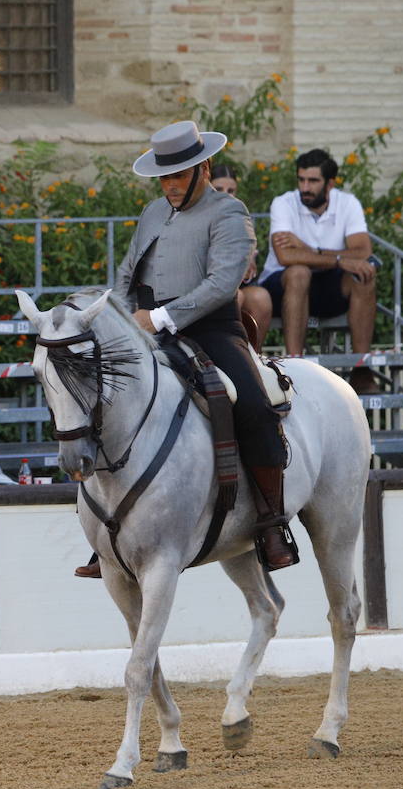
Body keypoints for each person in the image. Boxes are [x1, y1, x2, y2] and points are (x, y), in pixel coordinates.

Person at [115, 119, 296, 570]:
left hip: (211, 328)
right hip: (144, 328)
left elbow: (221, 284)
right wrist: (118, 319)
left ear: (204, 167)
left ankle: (272, 522)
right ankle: (110, 527)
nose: (171, 185)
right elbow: (126, 273)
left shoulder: (230, 212)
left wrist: (157, 318)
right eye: (165, 177)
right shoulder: (153, 212)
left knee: (252, 405)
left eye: (178, 175)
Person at [258, 148, 377, 390]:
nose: (305, 187)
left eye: (313, 181)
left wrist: (312, 250)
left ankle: (361, 369)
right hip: (281, 284)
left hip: (326, 284)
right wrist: (339, 259)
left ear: (330, 184)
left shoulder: (348, 203)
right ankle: (294, 368)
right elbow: (285, 255)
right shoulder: (284, 203)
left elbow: (363, 251)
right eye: (301, 179)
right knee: (299, 271)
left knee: (364, 275)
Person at [209, 165, 273, 351]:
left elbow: (249, 259)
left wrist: (248, 263)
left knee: (260, 298)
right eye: (218, 189)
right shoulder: (199, 215)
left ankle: (254, 356)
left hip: (236, 283)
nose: (226, 195)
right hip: (210, 283)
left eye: (231, 190)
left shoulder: (240, 216)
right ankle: (222, 354)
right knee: (236, 297)